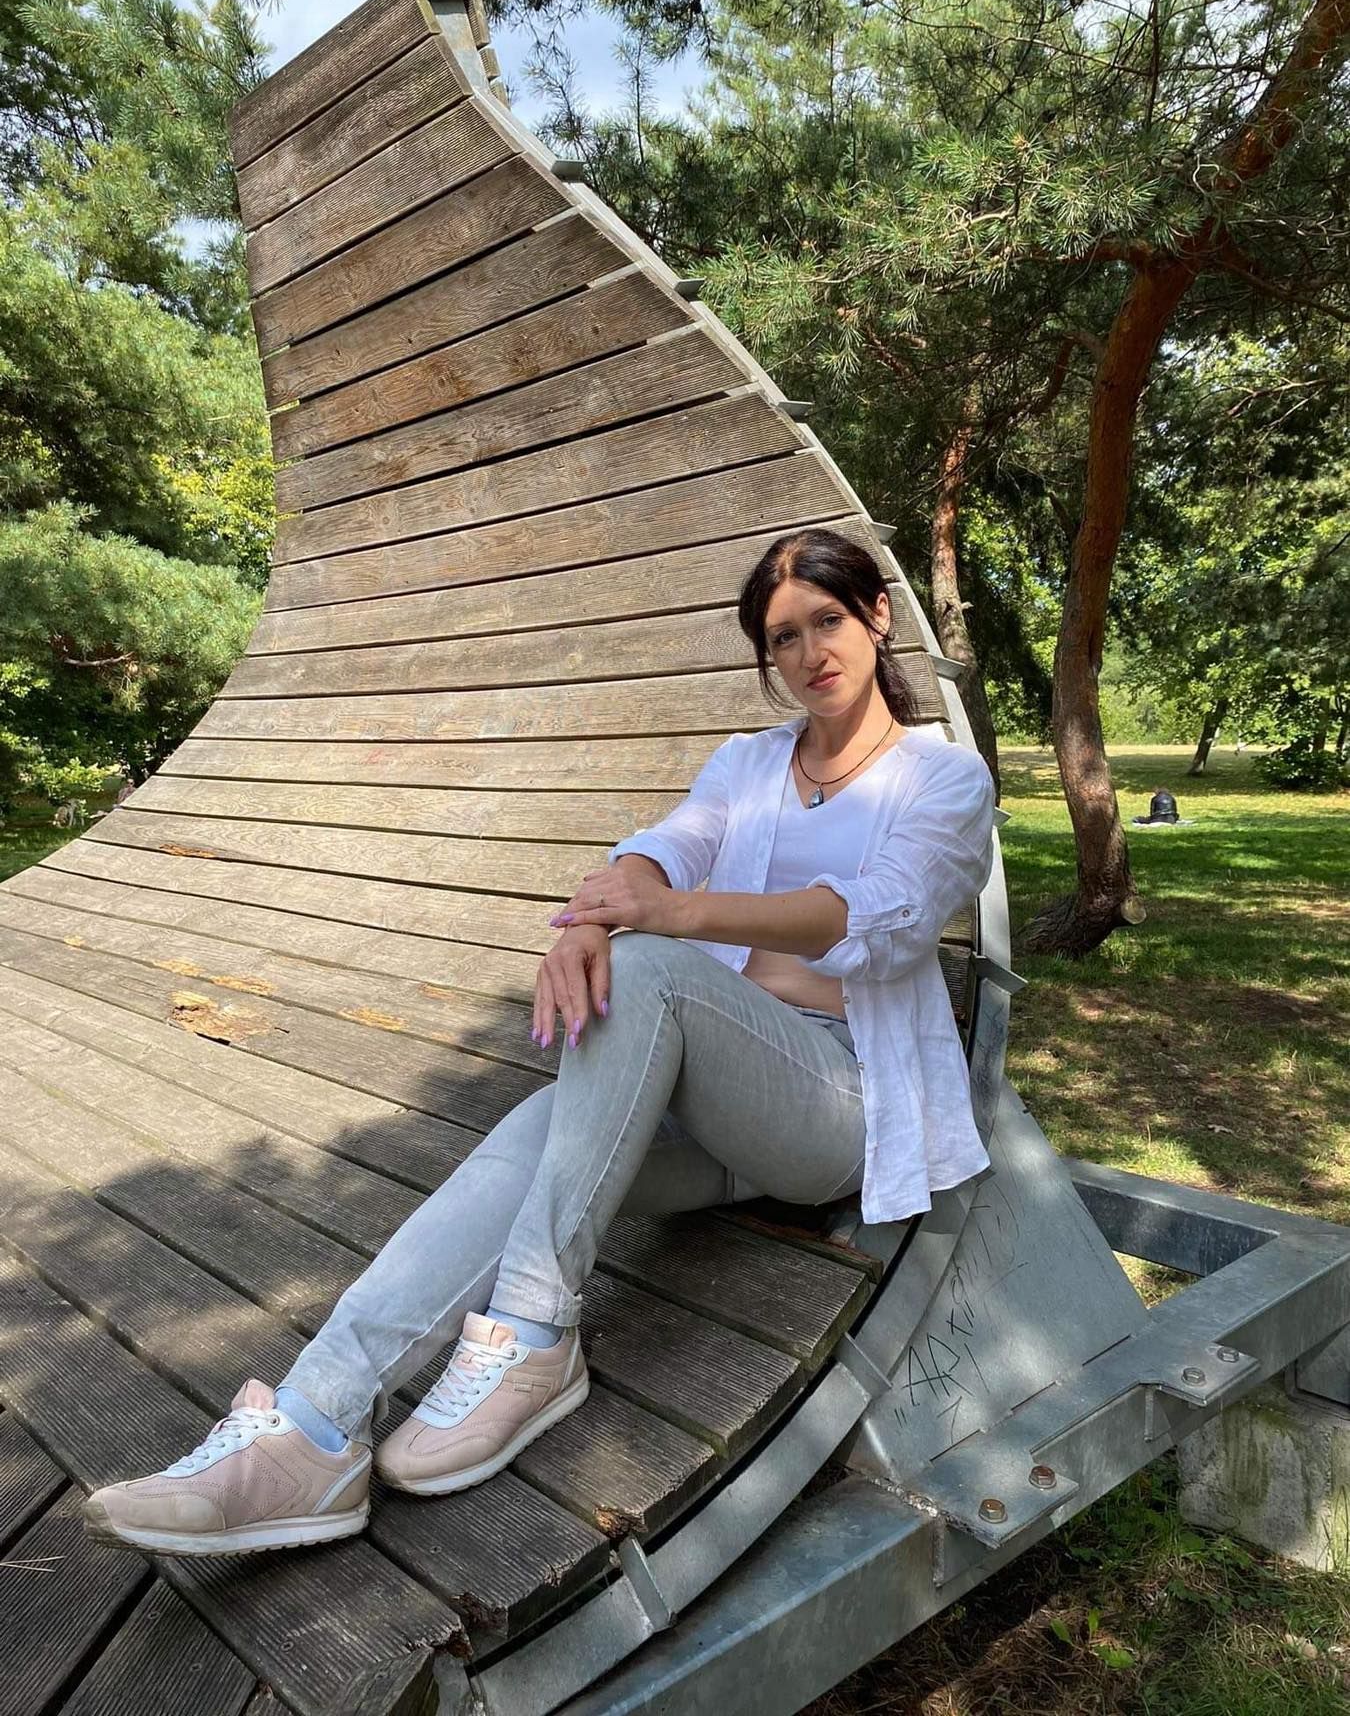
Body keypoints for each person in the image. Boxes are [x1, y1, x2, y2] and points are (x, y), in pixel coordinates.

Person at [83, 526, 996, 1558]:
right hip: (714, 1114)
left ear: (878, 616)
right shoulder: (750, 764)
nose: (808, 652)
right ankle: (312, 1430)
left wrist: (670, 918)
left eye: (827, 621)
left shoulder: (943, 780)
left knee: (647, 970)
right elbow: (667, 845)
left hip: (838, 1106)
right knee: (536, 1130)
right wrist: (595, 918)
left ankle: (532, 1327)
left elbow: (884, 918)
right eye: (782, 637)